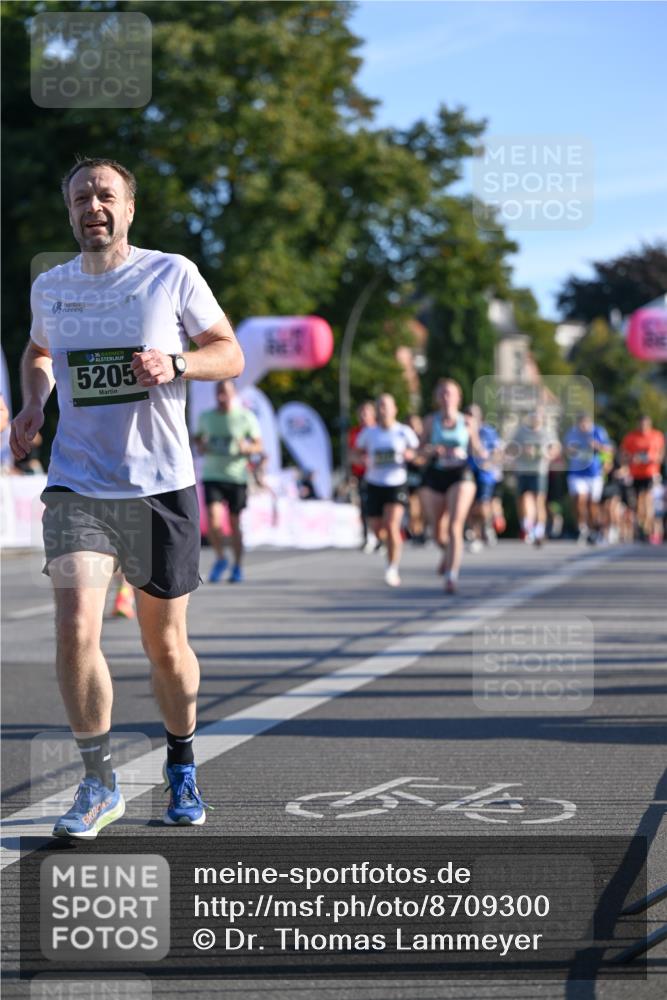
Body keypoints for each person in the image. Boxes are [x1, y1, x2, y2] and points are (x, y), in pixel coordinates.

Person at [10, 157, 244, 838]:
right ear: (70, 210)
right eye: (80, 196)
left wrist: (177, 363)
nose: (93, 206)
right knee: (76, 628)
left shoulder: (171, 273)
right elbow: (38, 352)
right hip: (79, 482)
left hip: (161, 484)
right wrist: (33, 404)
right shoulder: (51, 286)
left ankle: (181, 762)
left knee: (164, 646)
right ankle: (98, 782)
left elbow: (227, 351)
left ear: (129, 208)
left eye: (105, 195)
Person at [419, 379, 484, 593]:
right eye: (443, 394)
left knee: (455, 525)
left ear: (458, 398)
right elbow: (420, 453)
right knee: (438, 532)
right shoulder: (430, 422)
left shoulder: (467, 422)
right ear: (437, 398)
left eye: (450, 394)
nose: (447, 398)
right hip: (436, 474)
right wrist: (430, 450)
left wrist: (485, 455)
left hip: (460, 475)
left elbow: (477, 449)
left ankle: (451, 576)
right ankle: (447, 554)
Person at [195, 379, 262, 582]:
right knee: (214, 521)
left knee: (234, 524)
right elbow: (197, 439)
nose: (223, 397)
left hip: (236, 477)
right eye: (220, 393)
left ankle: (237, 566)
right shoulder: (206, 417)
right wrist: (201, 444)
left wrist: (247, 448)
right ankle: (220, 557)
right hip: (213, 475)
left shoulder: (245, 417)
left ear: (234, 394)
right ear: (216, 394)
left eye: (227, 393)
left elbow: (258, 445)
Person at [353, 394, 418, 587]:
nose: (383, 410)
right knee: (378, 529)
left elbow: (418, 453)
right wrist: (360, 460)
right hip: (374, 483)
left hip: (396, 483)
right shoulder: (369, 433)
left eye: (387, 406)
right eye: (380, 406)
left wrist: (410, 455)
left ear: (395, 409)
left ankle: (392, 567)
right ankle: (386, 544)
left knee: (392, 526)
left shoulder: (403, 432)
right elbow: (354, 453)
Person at [509, 408, 560, 547]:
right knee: (524, 499)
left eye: (538, 416)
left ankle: (539, 531)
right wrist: (522, 451)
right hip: (523, 469)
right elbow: (511, 447)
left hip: (539, 470)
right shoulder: (521, 431)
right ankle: (528, 527)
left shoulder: (547, 432)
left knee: (539, 500)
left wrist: (545, 454)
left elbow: (555, 448)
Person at [563, 412, 612, 544]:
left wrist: (598, 446)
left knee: (592, 503)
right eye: (581, 424)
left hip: (594, 473)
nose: (583, 427)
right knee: (579, 499)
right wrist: (570, 450)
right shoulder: (572, 433)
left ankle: (595, 528)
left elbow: (608, 449)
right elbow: (566, 449)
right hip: (577, 473)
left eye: (586, 424)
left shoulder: (598, 431)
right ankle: (581, 527)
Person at [464, 403, 504, 550]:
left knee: (482, 504)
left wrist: (491, 462)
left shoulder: (487, 431)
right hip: (467, 471)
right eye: (467, 414)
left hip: (485, 473)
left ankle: (487, 526)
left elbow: (497, 451)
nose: (469, 418)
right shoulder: (462, 430)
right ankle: (474, 535)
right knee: (469, 505)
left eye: (472, 415)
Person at [620, 415, 665, 542]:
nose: (643, 427)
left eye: (645, 424)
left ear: (650, 424)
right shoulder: (631, 437)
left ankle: (647, 527)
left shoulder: (657, 435)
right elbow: (623, 454)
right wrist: (632, 459)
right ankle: (641, 525)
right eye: (641, 424)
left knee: (647, 498)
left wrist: (651, 458)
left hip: (651, 473)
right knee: (638, 501)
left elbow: (661, 455)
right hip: (635, 474)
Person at [349, 400, 378, 553]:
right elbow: (352, 454)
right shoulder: (355, 432)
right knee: (365, 506)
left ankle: (381, 537)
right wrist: (358, 461)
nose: (363, 416)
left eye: (366, 412)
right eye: (361, 413)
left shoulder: (379, 430)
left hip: (380, 476)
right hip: (362, 474)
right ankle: (367, 536)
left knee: (379, 508)